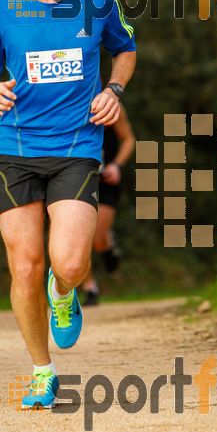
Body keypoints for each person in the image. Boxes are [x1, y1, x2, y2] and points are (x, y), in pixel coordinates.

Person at [0, 0, 136, 409]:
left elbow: (125, 49)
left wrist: (115, 88)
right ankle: (42, 371)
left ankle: (63, 293)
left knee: (71, 261)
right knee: (24, 266)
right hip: (14, 150)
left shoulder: (95, 0)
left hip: (77, 148)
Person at [81, 105, 135, 306]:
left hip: (106, 181)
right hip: (79, 180)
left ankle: (107, 243)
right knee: (80, 236)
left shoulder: (111, 106)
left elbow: (129, 139)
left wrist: (117, 165)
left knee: (97, 240)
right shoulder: (65, 100)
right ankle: (90, 287)